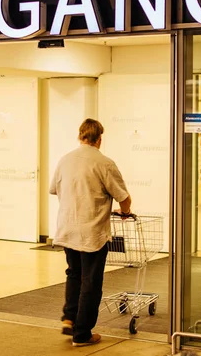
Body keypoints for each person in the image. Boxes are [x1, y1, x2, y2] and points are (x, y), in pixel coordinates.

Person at [49, 118, 131, 347]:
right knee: (90, 282)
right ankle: (83, 334)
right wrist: (125, 212)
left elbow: (54, 189)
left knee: (74, 274)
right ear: (99, 139)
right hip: (92, 232)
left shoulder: (65, 160)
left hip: (67, 228)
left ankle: (69, 318)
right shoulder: (104, 163)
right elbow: (124, 197)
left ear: (80, 136)